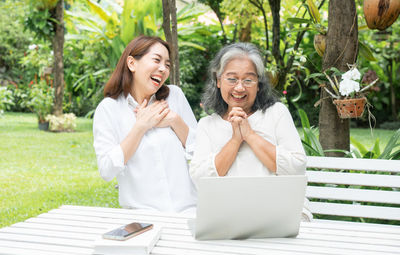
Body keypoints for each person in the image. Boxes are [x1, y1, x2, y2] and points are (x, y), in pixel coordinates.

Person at [189, 42, 312, 221]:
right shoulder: (206, 125)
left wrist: (249, 135)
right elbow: (201, 181)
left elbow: (297, 166)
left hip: (280, 213)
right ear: (218, 81)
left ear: (258, 84)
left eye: (248, 80)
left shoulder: (276, 113)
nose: (239, 88)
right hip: (230, 217)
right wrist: (235, 141)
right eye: (232, 79)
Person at [93, 35, 197, 212]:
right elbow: (107, 169)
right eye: (156, 60)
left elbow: (201, 150)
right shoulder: (109, 109)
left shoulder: (175, 96)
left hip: (189, 212)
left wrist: (174, 120)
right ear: (132, 63)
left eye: (167, 64)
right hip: (143, 219)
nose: (163, 69)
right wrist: (141, 126)